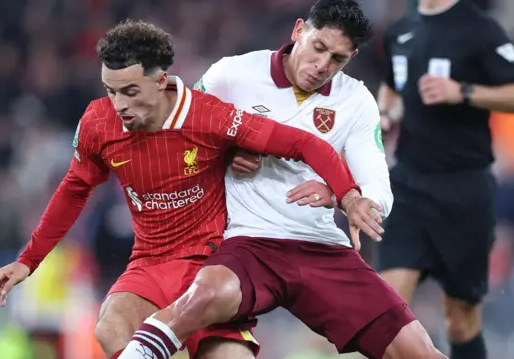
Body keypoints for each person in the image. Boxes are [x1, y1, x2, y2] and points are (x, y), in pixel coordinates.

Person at [0, 19, 381, 359]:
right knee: (110, 328)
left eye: (130, 91)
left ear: (160, 81)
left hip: (211, 263)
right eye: (111, 90)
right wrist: (28, 260)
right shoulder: (97, 123)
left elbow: (304, 142)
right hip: (150, 262)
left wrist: (348, 194)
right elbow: (75, 188)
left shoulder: (209, 116)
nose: (118, 104)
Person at [116, 1, 445, 359]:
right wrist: (223, 154)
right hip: (247, 240)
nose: (323, 66)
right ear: (299, 30)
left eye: (338, 59)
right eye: (319, 48)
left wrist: (349, 196)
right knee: (210, 293)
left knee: (419, 352)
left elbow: (377, 184)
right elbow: (177, 142)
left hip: (320, 246)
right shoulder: (232, 74)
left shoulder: (356, 100)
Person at [376, 0, 514, 358]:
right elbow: (391, 86)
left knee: (460, 320)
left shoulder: (481, 30)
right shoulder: (401, 31)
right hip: (408, 186)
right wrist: (386, 113)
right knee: (385, 312)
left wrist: (464, 92)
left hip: (464, 190)